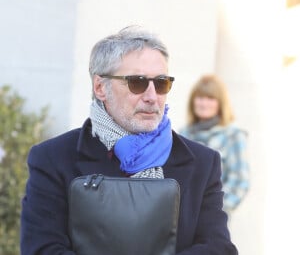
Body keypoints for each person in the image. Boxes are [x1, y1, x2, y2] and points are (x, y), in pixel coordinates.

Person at [20, 26, 238, 254]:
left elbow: (218, 248)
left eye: (161, 83)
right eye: (137, 82)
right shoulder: (53, 158)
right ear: (100, 87)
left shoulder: (202, 163)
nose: (152, 97)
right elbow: (42, 249)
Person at [179, 74, 250, 214]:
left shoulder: (233, 135)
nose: (204, 103)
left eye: (210, 98)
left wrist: (217, 210)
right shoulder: (183, 134)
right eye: (200, 98)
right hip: (183, 217)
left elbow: (241, 181)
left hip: (213, 218)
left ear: (220, 103)